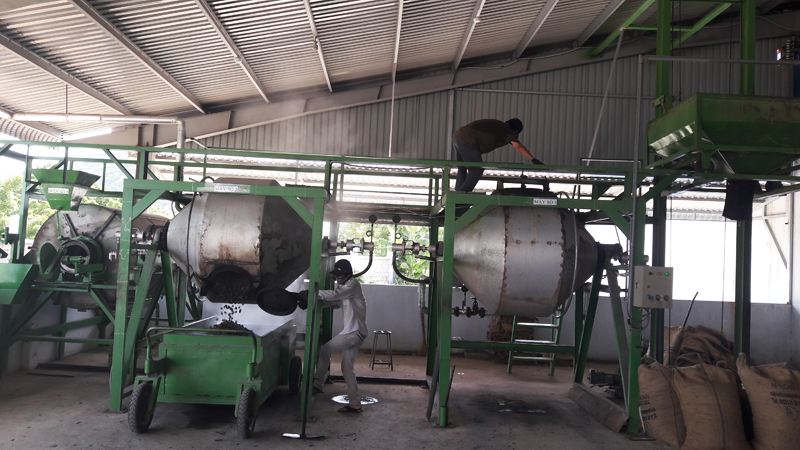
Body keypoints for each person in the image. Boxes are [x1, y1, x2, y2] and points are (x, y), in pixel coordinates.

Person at [312, 259, 368, 413]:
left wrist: (312, 293)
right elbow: (334, 301)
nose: (338, 278)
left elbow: (334, 295)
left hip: (353, 332)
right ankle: (355, 403)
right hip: (357, 333)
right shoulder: (347, 289)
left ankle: (317, 384)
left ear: (348, 274)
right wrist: (312, 302)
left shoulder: (353, 285)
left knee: (325, 350)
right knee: (347, 368)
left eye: (340, 275)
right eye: (336, 276)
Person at [453, 118, 542, 193]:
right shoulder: (507, 131)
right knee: (476, 170)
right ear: (515, 131)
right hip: (467, 141)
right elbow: (519, 146)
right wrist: (533, 159)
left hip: (458, 136)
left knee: (462, 168)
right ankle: (461, 196)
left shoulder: (498, 125)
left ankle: (458, 193)